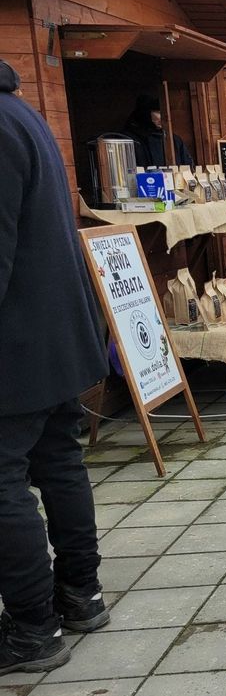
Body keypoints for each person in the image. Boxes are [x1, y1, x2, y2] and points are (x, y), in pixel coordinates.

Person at [0, 59, 110, 676]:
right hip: (57, 335)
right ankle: (79, 594)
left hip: (16, 345)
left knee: (4, 484)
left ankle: (33, 627)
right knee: (58, 464)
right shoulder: (23, 114)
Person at [121, 94, 193, 168]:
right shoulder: (129, 140)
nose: (163, 116)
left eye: (164, 112)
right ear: (146, 113)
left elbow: (188, 168)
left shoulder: (174, 140)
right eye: (158, 112)